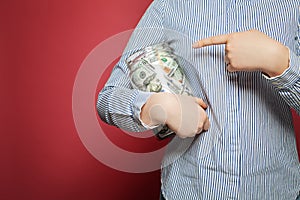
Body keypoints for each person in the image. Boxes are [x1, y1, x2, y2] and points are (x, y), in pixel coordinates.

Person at [97, 0, 300, 199]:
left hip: (277, 189)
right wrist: (158, 107)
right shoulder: (170, 5)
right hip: (191, 189)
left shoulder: (293, 6)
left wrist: (280, 62)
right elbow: (108, 98)